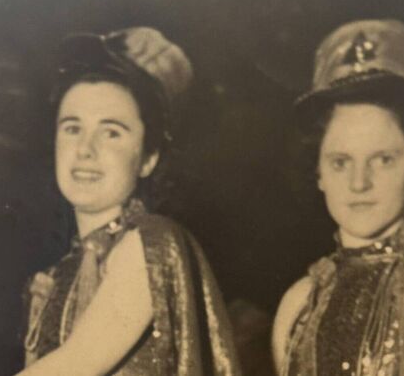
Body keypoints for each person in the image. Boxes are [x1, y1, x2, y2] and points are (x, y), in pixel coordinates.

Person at [19, 27, 241, 375]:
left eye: (111, 132)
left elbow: (76, 363)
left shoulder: (154, 242)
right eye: (73, 128)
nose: (85, 149)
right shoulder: (59, 274)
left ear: (149, 159)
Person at [272, 19, 404, 376]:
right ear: (318, 172)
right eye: (340, 162)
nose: (359, 184)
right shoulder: (298, 303)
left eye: (383, 159)